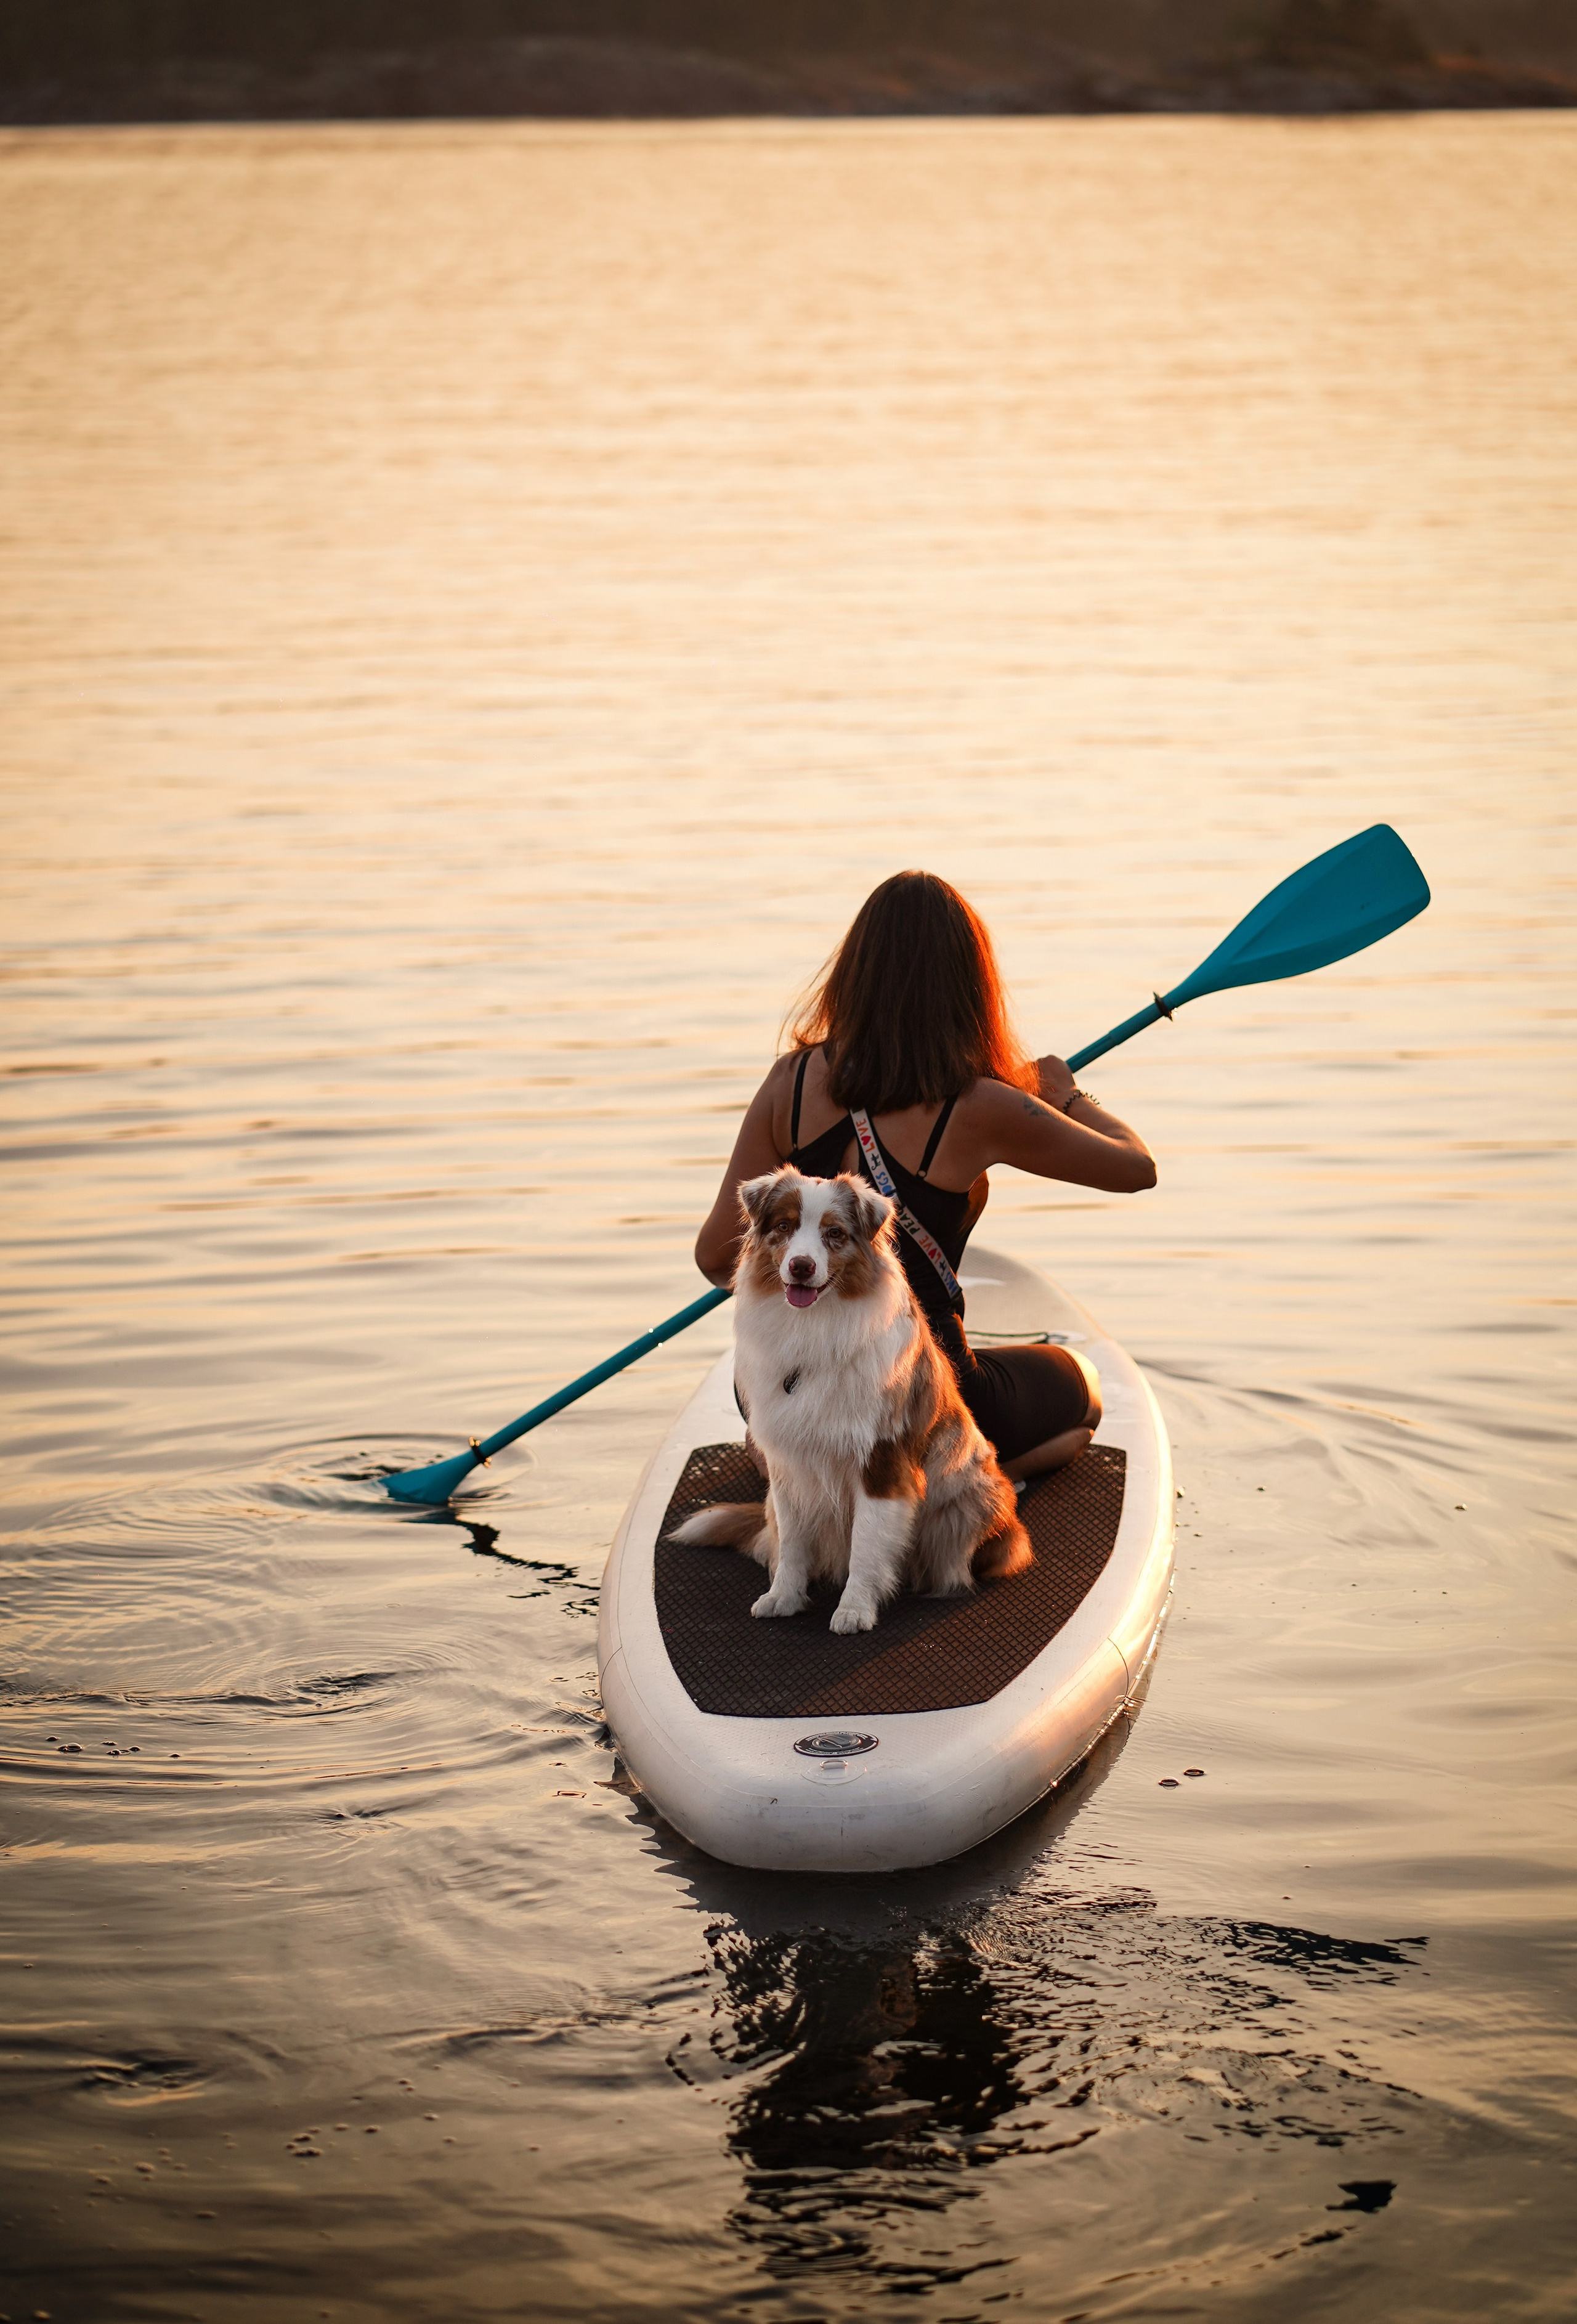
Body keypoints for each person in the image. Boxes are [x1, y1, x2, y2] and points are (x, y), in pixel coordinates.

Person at [695, 870, 1157, 1483]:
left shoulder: (791, 1082)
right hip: (924, 1394)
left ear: (853, 974)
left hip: (789, 1382)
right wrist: (1065, 1094)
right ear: (968, 987)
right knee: (1084, 1389)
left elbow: (714, 1257)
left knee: (779, 1386)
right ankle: (945, 1478)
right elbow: (1135, 1168)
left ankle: (799, 1459)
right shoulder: (983, 1107)